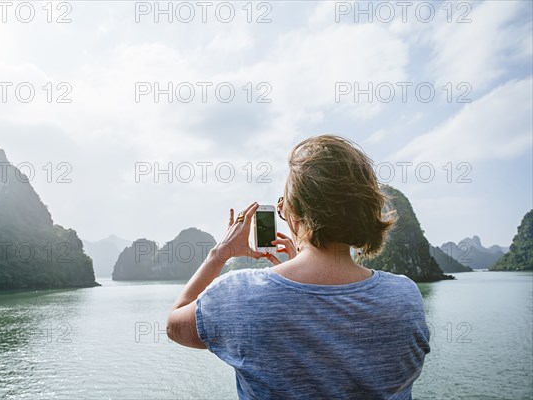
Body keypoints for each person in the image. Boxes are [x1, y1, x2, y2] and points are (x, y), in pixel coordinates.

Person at [166, 135, 430, 399]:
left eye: (283, 205)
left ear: (294, 214)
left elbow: (175, 326)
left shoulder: (238, 294)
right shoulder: (405, 297)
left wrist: (218, 255)